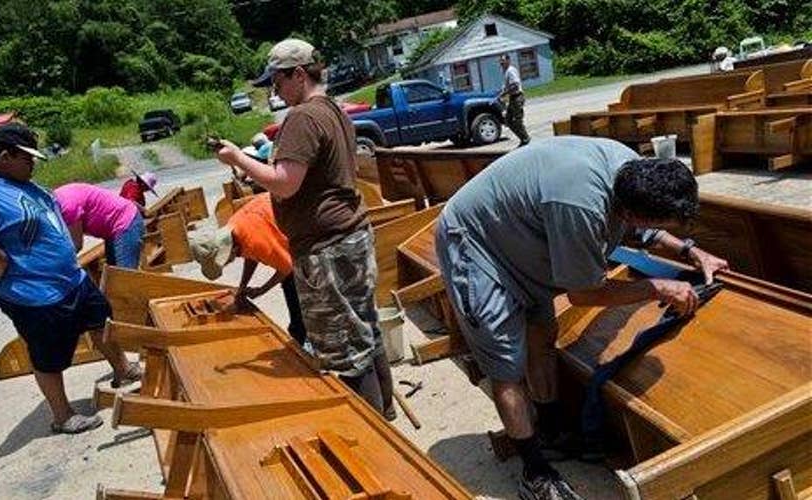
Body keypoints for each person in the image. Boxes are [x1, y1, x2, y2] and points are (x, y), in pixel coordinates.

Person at [434, 136, 730, 500]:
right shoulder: (581, 207)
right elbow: (584, 293)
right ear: (628, 212)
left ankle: (551, 430)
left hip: (523, 240)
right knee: (506, 364)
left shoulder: (632, 170)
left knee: (542, 334)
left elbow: (647, 232)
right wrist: (656, 288)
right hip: (477, 245)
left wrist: (692, 252)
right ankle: (535, 471)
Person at [213, 38, 397, 420]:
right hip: (350, 236)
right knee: (365, 330)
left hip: (327, 249)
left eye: (276, 82)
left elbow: (284, 182)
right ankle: (388, 412)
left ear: (298, 74)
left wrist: (238, 159)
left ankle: (374, 436)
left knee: (344, 350)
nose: (273, 91)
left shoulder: (302, 118)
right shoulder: (332, 109)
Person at [0, 123, 141, 434]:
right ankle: (63, 415)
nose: (32, 162)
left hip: (72, 280)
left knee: (101, 319)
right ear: (4, 156)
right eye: (26, 157)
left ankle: (123, 369)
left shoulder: (27, 186)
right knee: (48, 353)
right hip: (34, 293)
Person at [189, 192, 307, 346]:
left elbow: (287, 267)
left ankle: (302, 340)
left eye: (224, 261)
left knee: (295, 289)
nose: (228, 263)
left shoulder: (254, 240)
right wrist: (242, 287)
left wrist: (262, 290)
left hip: (307, 229)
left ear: (228, 249)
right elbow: (250, 255)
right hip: (288, 217)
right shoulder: (235, 228)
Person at [54, 183, 145, 269]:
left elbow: (76, 245)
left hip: (125, 224)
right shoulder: (57, 197)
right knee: (112, 273)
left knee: (124, 276)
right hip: (115, 229)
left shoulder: (67, 207)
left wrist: (58, 264)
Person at [499, 54, 530, 147]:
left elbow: (515, 85)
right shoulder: (505, 72)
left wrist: (505, 93)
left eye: (503, 61)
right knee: (508, 120)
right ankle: (523, 138)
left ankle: (525, 139)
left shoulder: (511, 70)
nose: (501, 63)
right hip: (512, 98)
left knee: (517, 120)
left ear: (508, 61)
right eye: (500, 62)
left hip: (517, 97)